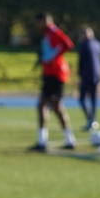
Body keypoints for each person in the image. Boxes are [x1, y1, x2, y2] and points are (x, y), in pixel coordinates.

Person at [30, 12, 76, 152]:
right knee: (43, 105)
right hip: (49, 74)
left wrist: (53, 57)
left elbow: (68, 44)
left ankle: (68, 139)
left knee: (56, 106)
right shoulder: (46, 34)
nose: (37, 25)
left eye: (38, 22)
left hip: (56, 74)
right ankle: (42, 141)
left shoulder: (53, 31)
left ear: (44, 20)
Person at [77, 27, 100, 131]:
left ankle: (90, 120)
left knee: (82, 98)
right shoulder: (98, 44)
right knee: (93, 99)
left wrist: (80, 75)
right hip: (97, 75)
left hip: (87, 75)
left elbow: (81, 62)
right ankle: (93, 120)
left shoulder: (84, 45)